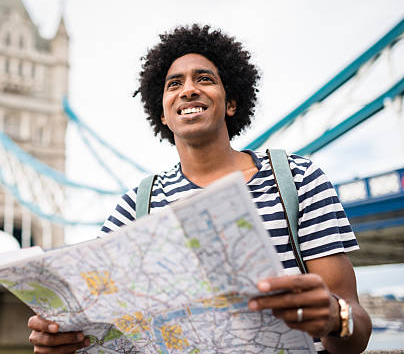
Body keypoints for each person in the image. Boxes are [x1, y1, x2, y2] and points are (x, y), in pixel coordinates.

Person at [28, 24, 371, 353]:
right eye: (173, 84)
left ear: (231, 103)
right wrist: (61, 340)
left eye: (204, 79)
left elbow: (355, 330)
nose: (188, 89)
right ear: (163, 112)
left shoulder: (298, 179)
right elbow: (100, 319)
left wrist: (333, 317)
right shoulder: (136, 206)